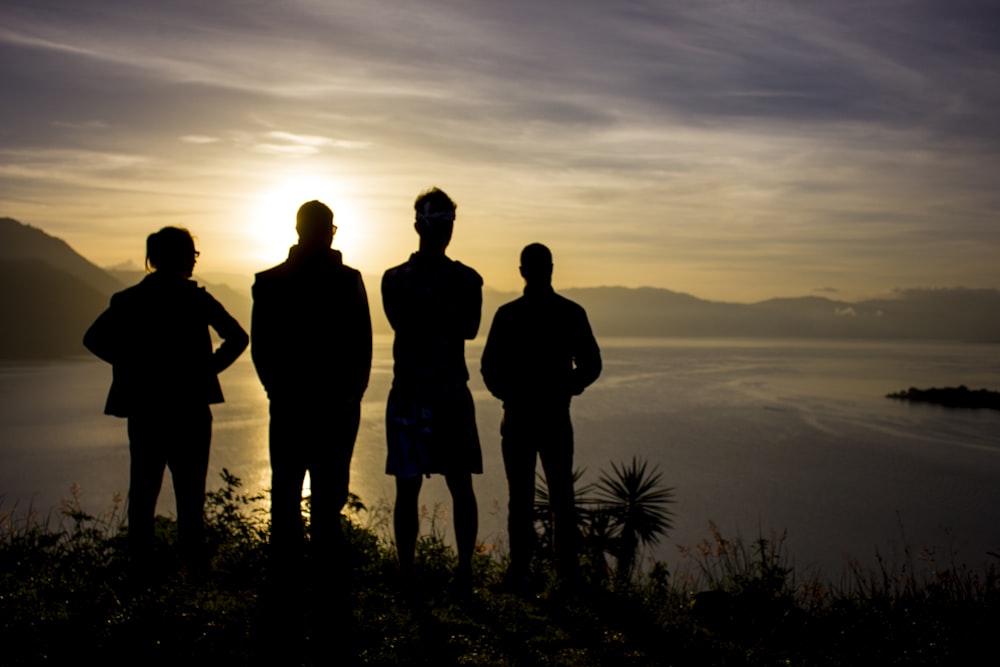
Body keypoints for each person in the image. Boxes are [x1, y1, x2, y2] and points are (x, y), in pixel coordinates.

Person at [83, 226, 248, 570]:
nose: (193, 261)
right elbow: (238, 337)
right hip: (190, 409)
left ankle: (141, 571)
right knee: (190, 498)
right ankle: (192, 573)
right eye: (191, 254)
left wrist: (132, 366)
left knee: (143, 493)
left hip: (146, 409)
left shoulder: (129, 300)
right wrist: (207, 371)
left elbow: (94, 339)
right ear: (179, 257)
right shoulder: (196, 299)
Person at [251, 200, 372, 579]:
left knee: (286, 493)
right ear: (326, 231)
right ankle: (325, 578)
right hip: (335, 407)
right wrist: (352, 393)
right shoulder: (347, 279)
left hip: (290, 405)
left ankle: (285, 577)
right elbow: (362, 344)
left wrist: (277, 391)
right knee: (328, 496)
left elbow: (262, 349)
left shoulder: (268, 281)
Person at [480, 242, 601, 590]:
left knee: (522, 499)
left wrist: (509, 393)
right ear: (550, 268)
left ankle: (522, 573)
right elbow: (591, 364)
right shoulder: (569, 312)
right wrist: (569, 387)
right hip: (551, 416)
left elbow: (490, 368)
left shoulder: (508, 314)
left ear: (522, 271)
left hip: (519, 416)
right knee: (560, 498)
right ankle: (565, 576)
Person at [382, 187, 483, 590]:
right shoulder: (466, 280)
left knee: (407, 487)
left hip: (409, 390)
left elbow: (397, 323)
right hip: (450, 392)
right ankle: (464, 572)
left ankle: (407, 571)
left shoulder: (394, 280)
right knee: (461, 485)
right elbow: (470, 329)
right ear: (450, 229)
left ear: (415, 226)